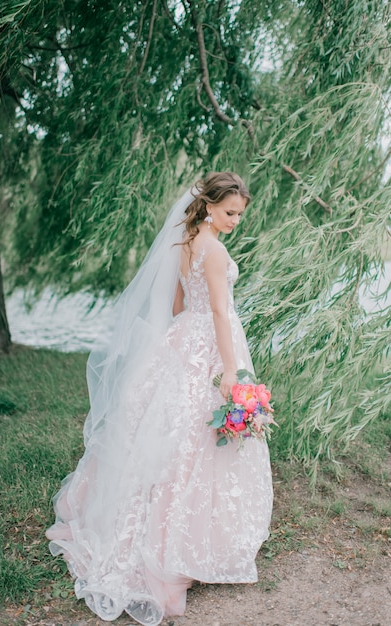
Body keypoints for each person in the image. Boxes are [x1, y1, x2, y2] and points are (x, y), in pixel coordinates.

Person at [46, 171, 273, 625]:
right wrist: (230, 371)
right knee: (192, 440)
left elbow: (174, 307)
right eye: (230, 212)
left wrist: (185, 340)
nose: (235, 221)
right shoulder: (214, 249)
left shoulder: (185, 242)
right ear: (209, 205)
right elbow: (219, 313)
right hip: (210, 343)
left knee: (164, 432)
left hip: (183, 339)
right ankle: (180, 542)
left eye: (240, 215)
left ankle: (146, 521)